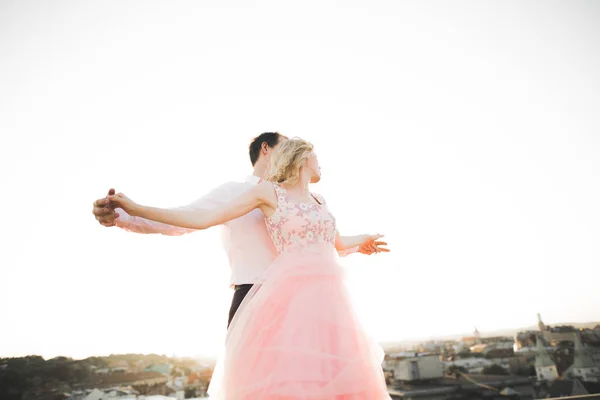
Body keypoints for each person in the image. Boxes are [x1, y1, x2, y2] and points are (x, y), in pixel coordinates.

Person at [108, 137, 392, 399]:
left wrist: (363, 242)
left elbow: (335, 242)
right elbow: (200, 217)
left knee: (336, 381)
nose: (321, 162)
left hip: (330, 305)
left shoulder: (320, 200)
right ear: (298, 155)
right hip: (275, 303)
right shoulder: (262, 193)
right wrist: (133, 211)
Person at [92, 132, 388, 326]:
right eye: (287, 145)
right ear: (267, 148)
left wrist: (355, 246)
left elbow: (318, 243)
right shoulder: (236, 191)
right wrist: (123, 217)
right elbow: (187, 218)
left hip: (309, 298)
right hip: (253, 296)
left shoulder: (306, 198)